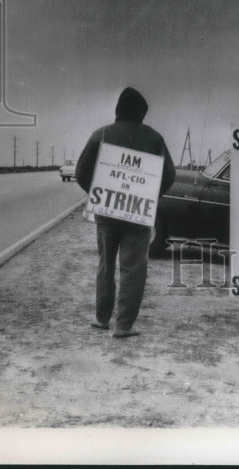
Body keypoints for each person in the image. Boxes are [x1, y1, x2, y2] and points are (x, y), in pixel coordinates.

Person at [75, 87, 176, 339]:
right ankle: (123, 325)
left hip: (106, 212)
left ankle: (101, 319)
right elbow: (170, 175)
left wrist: (99, 193)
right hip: (137, 213)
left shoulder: (101, 134)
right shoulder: (154, 138)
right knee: (133, 268)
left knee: (105, 265)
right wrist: (149, 196)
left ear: (118, 109)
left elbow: (80, 172)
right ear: (142, 112)